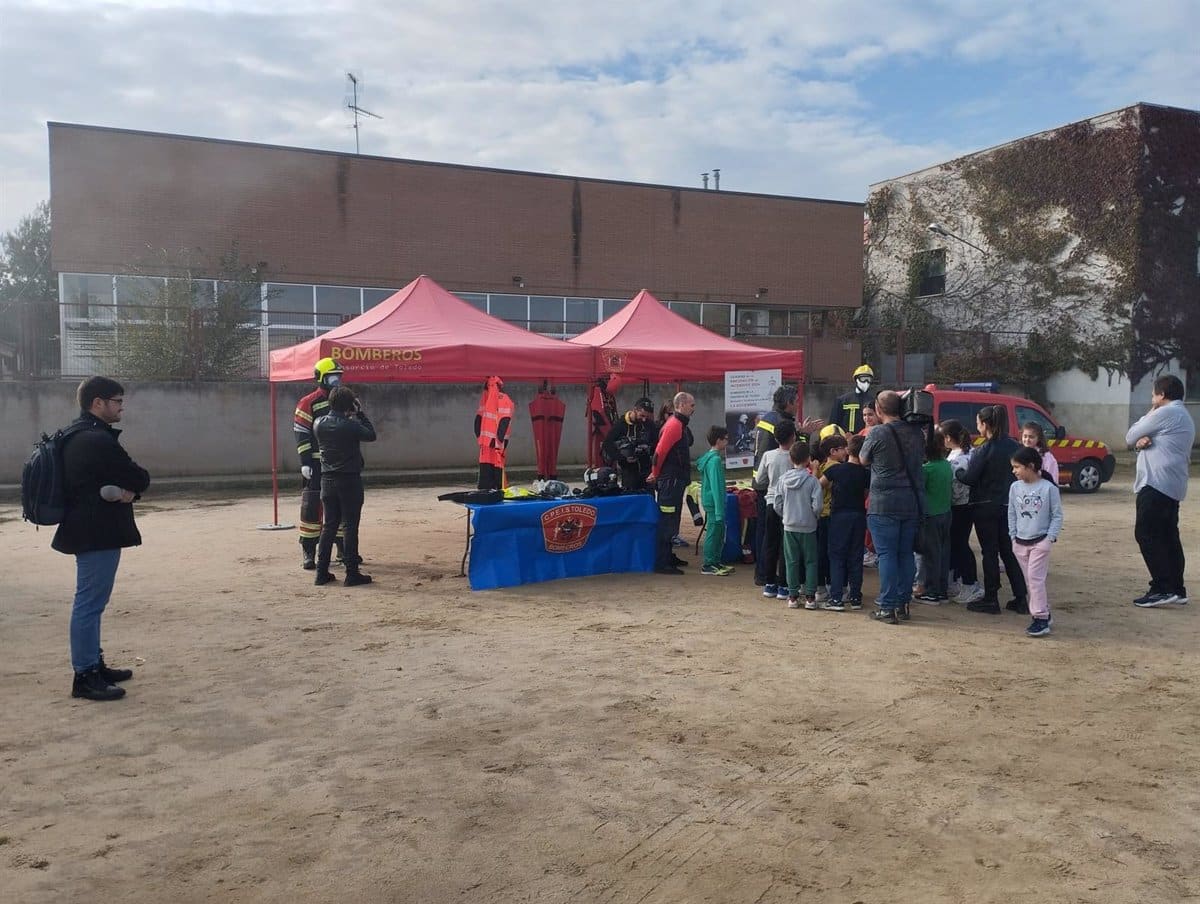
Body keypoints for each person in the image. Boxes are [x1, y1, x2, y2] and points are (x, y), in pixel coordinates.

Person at [52, 376, 151, 702]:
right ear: (98, 403)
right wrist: (129, 490)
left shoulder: (78, 434)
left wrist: (126, 492)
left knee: (92, 602)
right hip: (96, 531)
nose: (121, 407)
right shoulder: (96, 439)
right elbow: (139, 477)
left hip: (89, 528)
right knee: (89, 603)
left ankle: (93, 664)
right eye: (117, 401)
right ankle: (85, 675)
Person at [1126, 374, 1195, 607]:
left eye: (1153, 394)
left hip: (1156, 484)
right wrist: (1141, 444)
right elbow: (1139, 442)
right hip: (1170, 485)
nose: (1152, 398)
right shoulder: (1180, 414)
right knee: (1168, 537)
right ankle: (1176, 588)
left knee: (1146, 534)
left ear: (1161, 395)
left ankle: (1162, 587)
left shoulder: (1167, 412)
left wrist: (1150, 412)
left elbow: (1130, 435)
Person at [859, 390, 926, 624]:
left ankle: (887, 607)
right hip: (911, 501)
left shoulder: (877, 432)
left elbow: (863, 459)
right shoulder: (916, 432)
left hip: (883, 503)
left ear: (878, 410)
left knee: (886, 555)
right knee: (905, 553)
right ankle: (903, 603)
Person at [955, 405, 1028, 615]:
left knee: (989, 552)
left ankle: (991, 598)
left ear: (985, 424)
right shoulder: (1014, 446)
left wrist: (959, 471)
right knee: (1008, 551)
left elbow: (970, 478)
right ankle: (1021, 597)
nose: (977, 427)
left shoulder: (984, 449)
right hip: (1007, 505)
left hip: (985, 505)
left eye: (978, 422)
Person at [752, 384, 823, 585]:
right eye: (796, 401)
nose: (798, 404)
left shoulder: (767, 418)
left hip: (763, 485)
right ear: (789, 403)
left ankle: (763, 574)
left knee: (764, 533)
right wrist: (805, 435)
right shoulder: (783, 424)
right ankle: (781, 579)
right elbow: (795, 452)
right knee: (779, 536)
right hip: (778, 490)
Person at [313, 386, 377, 587]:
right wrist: (360, 413)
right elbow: (371, 434)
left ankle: (321, 572)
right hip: (349, 479)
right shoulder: (350, 426)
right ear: (350, 404)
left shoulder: (318, 423)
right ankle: (351, 573)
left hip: (327, 480)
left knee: (329, 526)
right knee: (350, 526)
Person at [294, 357, 345, 570]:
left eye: (339, 377)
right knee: (311, 508)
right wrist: (305, 462)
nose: (337, 381)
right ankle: (308, 551)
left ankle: (343, 548)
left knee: (342, 506)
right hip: (315, 466)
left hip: (340, 465)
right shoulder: (309, 402)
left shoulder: (344, 399)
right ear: (321, 378)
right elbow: (301, 434)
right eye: (333, 377)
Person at [1008, 446, 1064, 636]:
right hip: (1020, 542)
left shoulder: (1048, 488)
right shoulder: (1015, 488)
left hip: (1040, 542)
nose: (1014, 471)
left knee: (1035, 579)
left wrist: (1049, 538)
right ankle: (1044, 612)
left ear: (1030, 466)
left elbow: (1057, 516)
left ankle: (1040, 618)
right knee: (1031, 580)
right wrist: (1013, 536)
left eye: (1017, 467)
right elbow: (1012, 513)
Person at [648, 392, 696, 575]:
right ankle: (662, 561)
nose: (693, 409)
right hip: (670, 481)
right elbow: (659, 453)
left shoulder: (679, 425)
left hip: (674, 480)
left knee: (672, 520)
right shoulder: (674, 426)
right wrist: (655, 474)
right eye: (692, 405)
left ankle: (668, 556)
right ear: (682, 405)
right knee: (667, 520)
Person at [821, 432, 869, 610]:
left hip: (839, 515)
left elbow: (819, 485)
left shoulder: (835, 470)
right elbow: (865, 494)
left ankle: (836, 597)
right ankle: (855, 596)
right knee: (856, 556)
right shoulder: (865, 474)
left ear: (848, 450)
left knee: (837, 556)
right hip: (858, 515)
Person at [774, 442, 823, 610]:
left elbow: (777, 503)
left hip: (789, 525)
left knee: (791, 561)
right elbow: (817, 506)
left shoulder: (782, 480)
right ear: (809, 459)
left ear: (790, 458)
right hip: (808, 526)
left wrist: (785, 516)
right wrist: (813, 517)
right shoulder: (812, 481)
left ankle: (793, 596)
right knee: (810, 561)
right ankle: (810, 596)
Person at [754, 420, 797, 601]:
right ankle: (784, 585)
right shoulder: (795, 456)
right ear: (793, 437)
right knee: (785, 546)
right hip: (789, 504)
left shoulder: (768, 455)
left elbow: (760, 480)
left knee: (771, 543)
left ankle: (769, 583)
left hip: (771, 501)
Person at [941, 419, 983, 604]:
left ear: (948, 438)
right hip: (965, 505)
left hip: (960, 506)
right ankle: (959, 581)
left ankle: (970, 583)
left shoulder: (957, 459)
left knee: (960, 545)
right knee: (958, 544)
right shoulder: (969, 453)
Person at [916, 425, 954, 604]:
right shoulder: (946, 465)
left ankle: (932, 591)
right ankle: (941, 590)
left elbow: (919, 490)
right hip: (946, 513)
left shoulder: (927, 470)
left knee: (931, 555)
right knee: (943, 553)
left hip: (931, 515)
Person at [697, 426, 734, 576]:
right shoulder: (715, 460)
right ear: (718, 440)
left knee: (718, 532)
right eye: (725, 439)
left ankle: (715, 561)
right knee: (714, 532)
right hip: (714, 503)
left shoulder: (711, 458)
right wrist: (719, 508)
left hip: (712, 501)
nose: (727, 442)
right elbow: (716, 486)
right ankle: (708, 563)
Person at [602, 396, 658, 492]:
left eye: (647, 417)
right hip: (629, 472)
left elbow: (657, 444)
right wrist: (622, 458)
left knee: (648, 499)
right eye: (642, 416)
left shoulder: (650, 425)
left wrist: (648, 448)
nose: (644, 419)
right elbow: (607, 444)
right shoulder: (621, 424)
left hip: (646, 470)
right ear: (635, 410)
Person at [475, 376, 514, 492]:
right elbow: (504, 420)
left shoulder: (489, 398)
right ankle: (493, 490)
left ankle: (487, 491)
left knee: (489, 470)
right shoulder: (499, 399)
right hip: (493, 443)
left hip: (490, 443)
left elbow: (479, 419)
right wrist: (499, 440)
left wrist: (480, 437)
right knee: (493, 469)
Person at [829, 364, 878, 434]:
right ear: (856, 380)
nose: (866, 382)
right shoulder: (842, 400)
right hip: (846, 440)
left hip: (867, 438)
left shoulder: (874, 400)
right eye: (863, 379)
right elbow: (833, 425)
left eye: (868, 379)